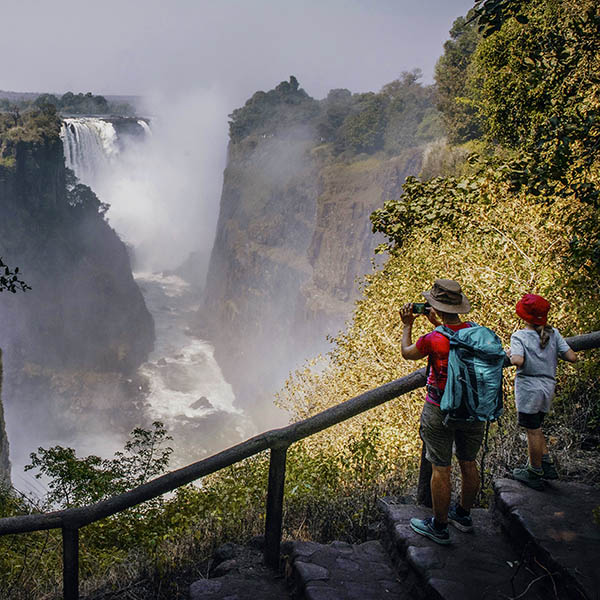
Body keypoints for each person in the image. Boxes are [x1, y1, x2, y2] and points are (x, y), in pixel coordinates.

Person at [400, 279, 485, 545]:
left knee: (441, 467)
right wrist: (440, 324)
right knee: (469, 462)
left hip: (440, 409)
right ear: (459, 308)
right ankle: (463, 515)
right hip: (473, 408)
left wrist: (407, 325)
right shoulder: (477, 332)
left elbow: (407, 352)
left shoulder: (433, 339)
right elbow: (456, 339)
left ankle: (439, 526)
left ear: (434, 307)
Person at [508, 294, 578, 490]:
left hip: (529, 390)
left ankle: (534, 470)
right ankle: (546, 463)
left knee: (532, 430)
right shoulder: (553, 333)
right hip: (548, 387)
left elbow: (517, 361)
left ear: (523, 316)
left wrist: (510, 354)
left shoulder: (519, 336)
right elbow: (572, 356)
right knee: (537, 425)